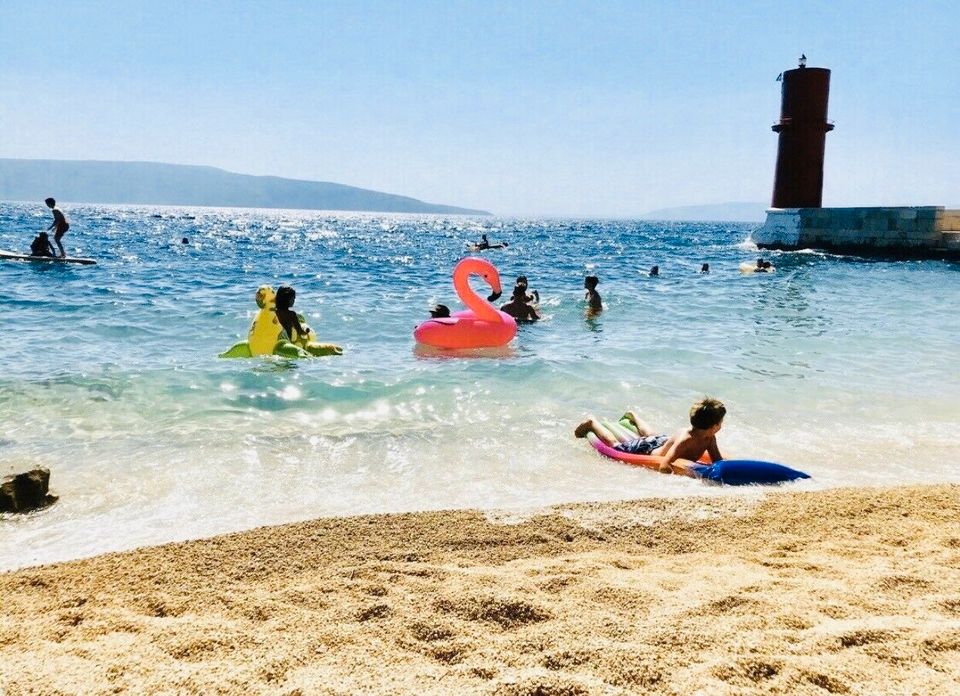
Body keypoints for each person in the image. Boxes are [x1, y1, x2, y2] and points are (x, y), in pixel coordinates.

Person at [575, 397, 726, 475]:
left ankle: (633, 415)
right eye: (721, 422)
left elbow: (717, 461)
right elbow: (664, 464)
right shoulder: (686, 440)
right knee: (615, 445)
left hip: (661, 442)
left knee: (653, 435)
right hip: (646, 449)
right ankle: (592, 423)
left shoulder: (710, 438)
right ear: (714, 426)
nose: (721, 424)